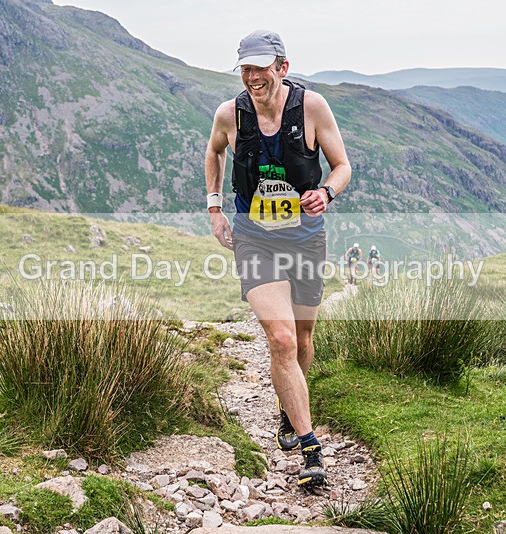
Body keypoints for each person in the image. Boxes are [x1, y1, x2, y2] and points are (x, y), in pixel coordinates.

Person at [204, 30, 351, 487]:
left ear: (281, 68)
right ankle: (310, 449)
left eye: (260, 68)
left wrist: (326, 193)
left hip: (305, 239)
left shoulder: (311, 108)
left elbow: (342, 166)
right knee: (282, 339)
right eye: (245, 69)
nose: (252, 77)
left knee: (303, 338)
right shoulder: (231, 114)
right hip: (255, 239)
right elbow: (213, 151)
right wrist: (214, 206)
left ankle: (289, 413)